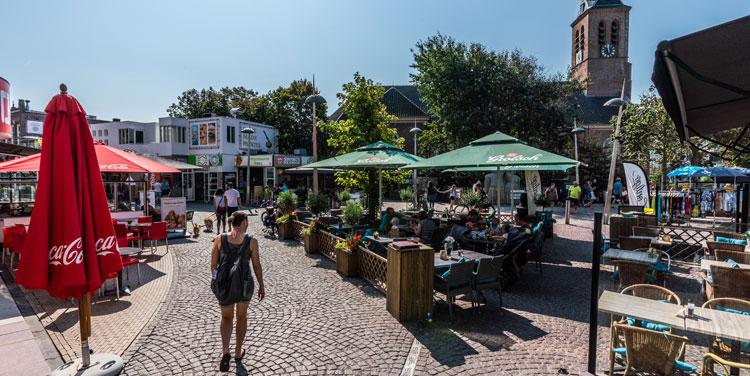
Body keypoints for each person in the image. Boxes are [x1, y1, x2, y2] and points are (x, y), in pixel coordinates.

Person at [210, 212, 265, 372]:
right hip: (244, 284)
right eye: (246, 221)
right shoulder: (251, 241)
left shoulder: (220, 238)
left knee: (226, 317)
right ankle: (238, 352)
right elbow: (256, 265)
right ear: (243, 223)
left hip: (225, 284)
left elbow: (213, 263)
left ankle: (225, 350)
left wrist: (216, 281)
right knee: (241, 317)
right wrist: (261, 284)